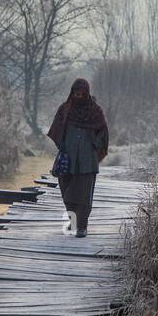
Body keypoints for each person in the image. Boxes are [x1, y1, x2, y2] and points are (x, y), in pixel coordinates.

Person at [47, 77, 109, 237]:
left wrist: (92, 145)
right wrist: (64, 145)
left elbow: (103, 134)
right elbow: (56, 129)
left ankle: (82, 227)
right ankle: (72, 222)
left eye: (81, 93)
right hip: (68, 161)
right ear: (72, 93)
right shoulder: (65, 109)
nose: (78, 96)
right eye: (76, 93)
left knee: (83, 195)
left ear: (87, 93)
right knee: (67, 193)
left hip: (87, 162)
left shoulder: (95, 112)